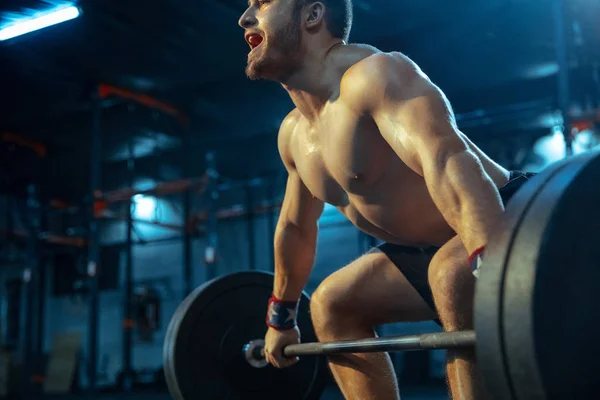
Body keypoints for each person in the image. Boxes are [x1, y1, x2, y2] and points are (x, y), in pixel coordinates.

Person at [238, 1, 533, 399]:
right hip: (429, 250)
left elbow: (446, 161)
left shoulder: (376, 76)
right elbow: (295, 227)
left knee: (450, 274)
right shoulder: (293, 134)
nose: (245, 18)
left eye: (263, 3)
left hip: (505, 215)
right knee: (331, 305)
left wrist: (496, 269)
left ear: (312, 15)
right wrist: (280, 318)